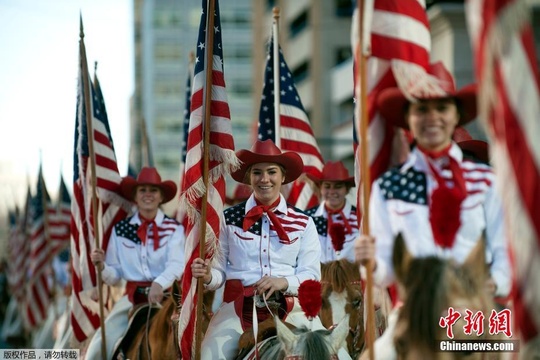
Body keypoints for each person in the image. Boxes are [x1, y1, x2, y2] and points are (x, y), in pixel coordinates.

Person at [354, 62, 510, 300]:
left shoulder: (486, 181)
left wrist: (495, 282)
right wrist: (371, 264)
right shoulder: (387, 187)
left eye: (442, 107)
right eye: (422, 109)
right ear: (408, 117)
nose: (432, 117)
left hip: (474, 308)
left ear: (456, 115)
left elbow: (505, 252)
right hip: (416, 310)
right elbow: (386, 272)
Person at [191, 139, 350, 360]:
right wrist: (208, 276)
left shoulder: (304, 222)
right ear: (249, 178)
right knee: (206, 356)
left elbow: (311, 277)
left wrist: (282, 282)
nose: (264, 179)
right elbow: (219, 273)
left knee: (341, 355)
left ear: (283, 177)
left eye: (272, 172)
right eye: (257, 172)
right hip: (239, 310)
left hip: (292, 309)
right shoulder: (228, 219)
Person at [86, 166, 186, 360]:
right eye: (142, 190)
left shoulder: (173, 228)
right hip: (132, 299)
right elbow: (115, 276)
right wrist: (102, 267)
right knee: (98, 347)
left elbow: (177, 264)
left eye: (153, 190)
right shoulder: (121, 229)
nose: (148, 195)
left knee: (190, 342)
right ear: (135, 195)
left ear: (161, 197)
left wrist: (160, 282)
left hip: (168, 298)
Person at [305, 161, 359, 263]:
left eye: (338, 186)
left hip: (352, 277)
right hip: (318, 277)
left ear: (346, 189)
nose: (332, 191)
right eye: (327, 186)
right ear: (320, 188)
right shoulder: (307, 218)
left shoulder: (360, 218)